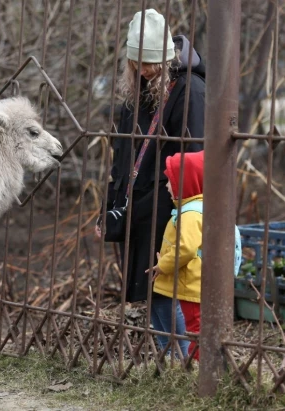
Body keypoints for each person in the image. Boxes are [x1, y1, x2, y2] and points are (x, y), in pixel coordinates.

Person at [96, 8, 205, 306]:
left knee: (164, 289)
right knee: (145, 289)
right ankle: (161, 347)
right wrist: (110, 203)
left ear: (166, 59)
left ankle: (176, 349)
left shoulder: (190, 89)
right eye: (136, 63)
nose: (142, 69)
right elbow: (122, 155)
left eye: (149, 63)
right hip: (135, 204)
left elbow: (194, 157)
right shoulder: (137, 89)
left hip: (166, 206)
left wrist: (175, 201)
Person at [148, 151, 204, 360]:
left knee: (195, 327)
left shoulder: (189, 215)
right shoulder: (202, 208)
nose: (166, 186)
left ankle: (199, 366)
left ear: (186, 184)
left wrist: (163, 265)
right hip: (198, 282)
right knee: (197, 325)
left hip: (191, 283)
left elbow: (186, 248)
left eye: (170, 181)